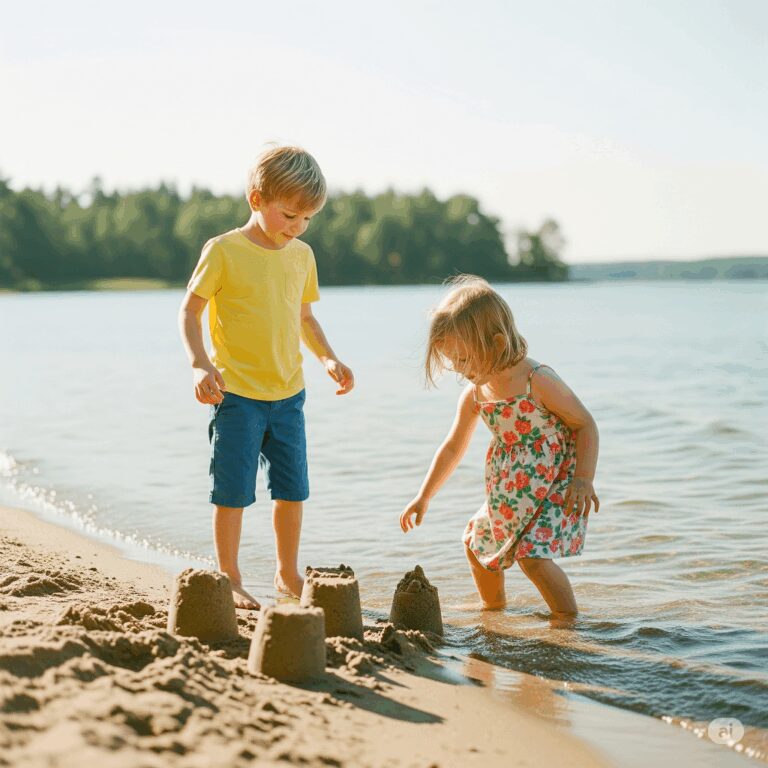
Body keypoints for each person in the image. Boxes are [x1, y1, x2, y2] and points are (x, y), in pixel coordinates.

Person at [179, 146, 354, 611]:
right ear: (256, 199)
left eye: (307, 219)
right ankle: (230, 576)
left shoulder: (302, 255)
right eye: (290, 215)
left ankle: (287, 573)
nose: (298, 227)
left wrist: (329, 359)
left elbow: (305, 318)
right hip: (236, 394)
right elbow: (189, 312)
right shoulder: (223, 250)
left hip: (289, 394)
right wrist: (199, 363)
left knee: (292, 489)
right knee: (232, 491)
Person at [399, 275, 599, 619]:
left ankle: (567, 622)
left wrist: (583, 479)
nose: (458, 369)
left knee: (533, 558)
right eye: (452, 361)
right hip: (510, 488)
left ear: (496, 343)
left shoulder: (537, 380)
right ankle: (493, 610)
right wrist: (424, 495)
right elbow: (453, 447)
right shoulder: (476, 394)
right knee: (476, 544)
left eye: (463, 359)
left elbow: (585, 424)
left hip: (554, 484)